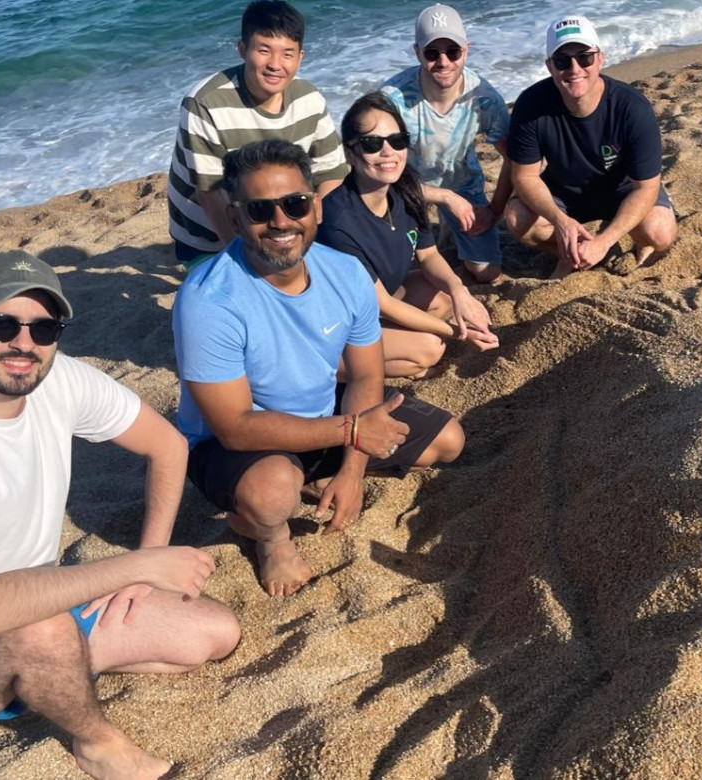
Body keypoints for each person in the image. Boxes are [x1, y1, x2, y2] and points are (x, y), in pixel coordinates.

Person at [0, 250, 240, 780]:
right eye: (0, 324)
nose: (24, 343)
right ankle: (98, 743)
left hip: (36, 606)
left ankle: (47, 674)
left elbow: (168, 446)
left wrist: (147, 562)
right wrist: (136, 567)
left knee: (213, 633)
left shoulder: (58, 380)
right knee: (40, 631)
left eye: (44, 328)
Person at [173, 139, 465, 597]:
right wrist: (353, 432)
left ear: (317, 208)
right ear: (234, 218)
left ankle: (312, 476)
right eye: (260, 210)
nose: (281, 221)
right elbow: (234, 429)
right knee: (272, 495)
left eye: (295, 204)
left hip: (323, 412)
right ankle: (269, 538)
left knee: (448, 442)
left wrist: (352, 470)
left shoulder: (345, 272)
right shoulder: (209, 298)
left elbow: (366, 375)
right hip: (237, 440)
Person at [317, 93, 499, 379]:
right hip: (331, 322)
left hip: (373, 303)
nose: (387, 151)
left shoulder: (405, 191)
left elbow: (428, 256)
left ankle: (387, 345)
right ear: (350, 154)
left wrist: (459, 290)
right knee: (429, 349)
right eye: (372, 143)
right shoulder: (338, 219)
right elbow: (383, 303)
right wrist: (457, 333)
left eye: (397, 140)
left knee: (442, 296)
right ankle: (331, 368)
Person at [166, 0, 349, 267]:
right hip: (207, 236)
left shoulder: (309, 99)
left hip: (277, 222)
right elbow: (210, 194)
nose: (275, 64)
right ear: (242, 49)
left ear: (300, 57)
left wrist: (318, 235)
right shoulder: (205, 103)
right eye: (264, 50)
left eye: (287, 54)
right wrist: (248, 260)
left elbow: (331, 173)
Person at [505, 14, 677, 277]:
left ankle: (618, 245)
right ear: (550, 66)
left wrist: (605, 240)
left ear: (600, 58)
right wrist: (560, 221)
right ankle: (570, 253)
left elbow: (646, 187)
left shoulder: (632, 107)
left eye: (584, 57)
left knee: (659, 232)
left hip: (623, 190)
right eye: (563, 61)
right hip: (564, 192)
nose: (574, 69)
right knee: (517, 219)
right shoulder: (530, 104)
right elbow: (524, 177)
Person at [379, 3, 512, 284]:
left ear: (466, 50)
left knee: (486, 272)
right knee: (393, 271)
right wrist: (444, 198)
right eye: (432, 53)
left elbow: (513, 157)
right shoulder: (392, 101)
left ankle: (451, 229)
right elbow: (378, 173)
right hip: (404, 189)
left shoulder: (484, 99)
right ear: (417, 52)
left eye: (452, 51)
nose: (443, 62)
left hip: (462, 182)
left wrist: (494, 211)